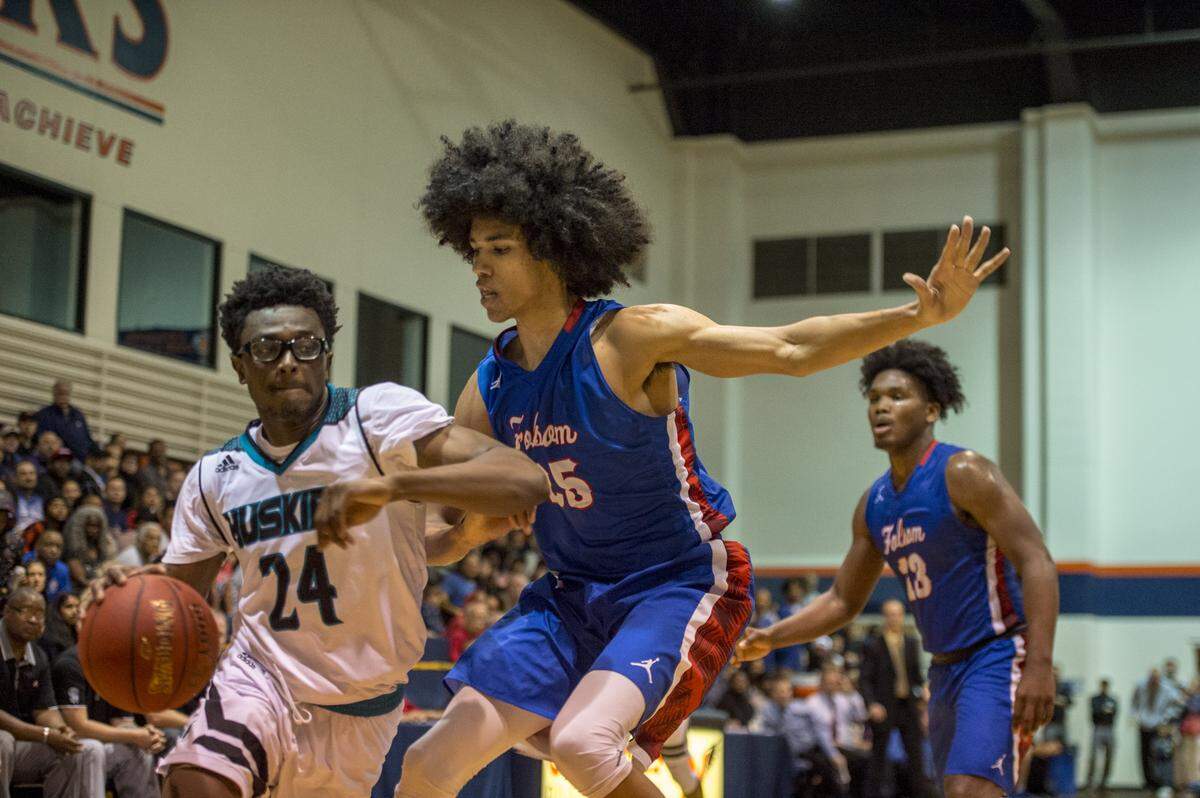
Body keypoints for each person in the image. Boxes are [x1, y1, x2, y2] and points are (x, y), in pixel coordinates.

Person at [396, 120, 1006, 798]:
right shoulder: (489, 385)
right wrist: (441, 533)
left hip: (675, 584)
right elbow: (442, 535)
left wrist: (915, 317)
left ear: (553, 249)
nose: (479, 265)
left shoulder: (630, 338)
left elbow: (790, 348)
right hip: (568, 599)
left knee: (582, 743)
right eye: (474, 248)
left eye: (500, 248)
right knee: (427, 765)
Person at [88, 264, 548, 798]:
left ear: (327, 355)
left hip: (362, 706)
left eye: (305, 346)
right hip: (260, 679)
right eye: (267, 349)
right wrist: (127, 593)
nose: (288, 362)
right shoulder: (215, 476)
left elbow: (524, 480)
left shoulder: (376, 421)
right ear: (240, 365)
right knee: (197, 782)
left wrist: (388, 487)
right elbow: (176, 595)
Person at [739, 340, 1058, 798]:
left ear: (931, 411)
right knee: (956, 790)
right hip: (944, 670)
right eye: (873, 399)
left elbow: (1037, 560)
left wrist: (1040, 665)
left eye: (896, 396)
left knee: (973, 789)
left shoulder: (964, 472)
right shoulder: (875, 504)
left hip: (999, 653)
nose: (881, 407)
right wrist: (773, 637)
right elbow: (843, 600)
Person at [0, 586, 105, 797]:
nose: (33, 619)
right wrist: (46, 735)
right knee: (3, 741)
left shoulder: (38, 656)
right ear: (7, 612)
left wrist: (61, 729)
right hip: (6, 743)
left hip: (23, 743)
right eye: (26, 611)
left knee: (84, 748)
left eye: (39, 613)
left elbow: (44, 709)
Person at [53, 643, 164, 798]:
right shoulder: (70, 663)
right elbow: (79, 726)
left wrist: (146, 735)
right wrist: (135, 736)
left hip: (101, 747)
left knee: (138, 749)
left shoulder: (115, 664)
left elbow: (122, 722)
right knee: (94, 749)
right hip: (68, 749)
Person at [858, 598, 931, 797]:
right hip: (884, 704)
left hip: (907, 704)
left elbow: (916, 675)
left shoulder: (911, 642)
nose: (894, 618)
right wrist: (871, 704)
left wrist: (923, 689)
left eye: (898, 614)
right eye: (890, 614)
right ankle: (873, 793)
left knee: (916, 754)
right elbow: (864, 678)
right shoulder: (874, 644)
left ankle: (919, 793)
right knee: (879, 756)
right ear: (884, 616)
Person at [807, 665, 870, 797]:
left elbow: (860, 717)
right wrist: (833, 754)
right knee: (830, 768)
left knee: (866, 760)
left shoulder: (842, 700)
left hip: (842, 745)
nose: (833, 686)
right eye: (829, 683)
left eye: (835, 683)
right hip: (821, 747)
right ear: (822, 683)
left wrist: (852, 693)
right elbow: (820, 733)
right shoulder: (813, 703)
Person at [34, 380, 97, 461]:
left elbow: (87, 438)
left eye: (66, 393)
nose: (63, 396)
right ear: (54, 394)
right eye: (60, 393)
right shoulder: (45, 414)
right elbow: (42, 440)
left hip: (83, 459)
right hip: (60, 459)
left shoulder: (78, 414)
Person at [62, 505, 118, 586]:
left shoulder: (102, 546)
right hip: (82, 590)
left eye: (97, 526)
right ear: (80, 526)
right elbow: (82, 580)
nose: (94, 530)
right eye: (90, 525)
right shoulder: (73, 552)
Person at [1085, 677, 1117, 791]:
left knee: (1110, 756)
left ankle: (1104, 782)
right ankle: (1090, 781)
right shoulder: (1094, 699)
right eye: (1102, 685)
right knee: (1093, 756)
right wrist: (1104, 711)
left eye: (1106, 686)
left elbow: (1114, 713)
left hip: (1109, 729)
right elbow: (1095, 712)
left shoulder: (1112, 699)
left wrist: (1104, 711)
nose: (1104, 688)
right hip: (1098, 728)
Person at [22, 530, 72, 602]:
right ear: (37, 546)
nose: (54, 550)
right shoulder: (26, 561)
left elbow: (64, 598)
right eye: (49, 545)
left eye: (58, 547)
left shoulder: (62, 570)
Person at [39, 591, 81, 661]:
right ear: (58, 610)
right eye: (69, 607)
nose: (75, 611)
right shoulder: (50, 637)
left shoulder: (76, 631)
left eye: (77, 606)